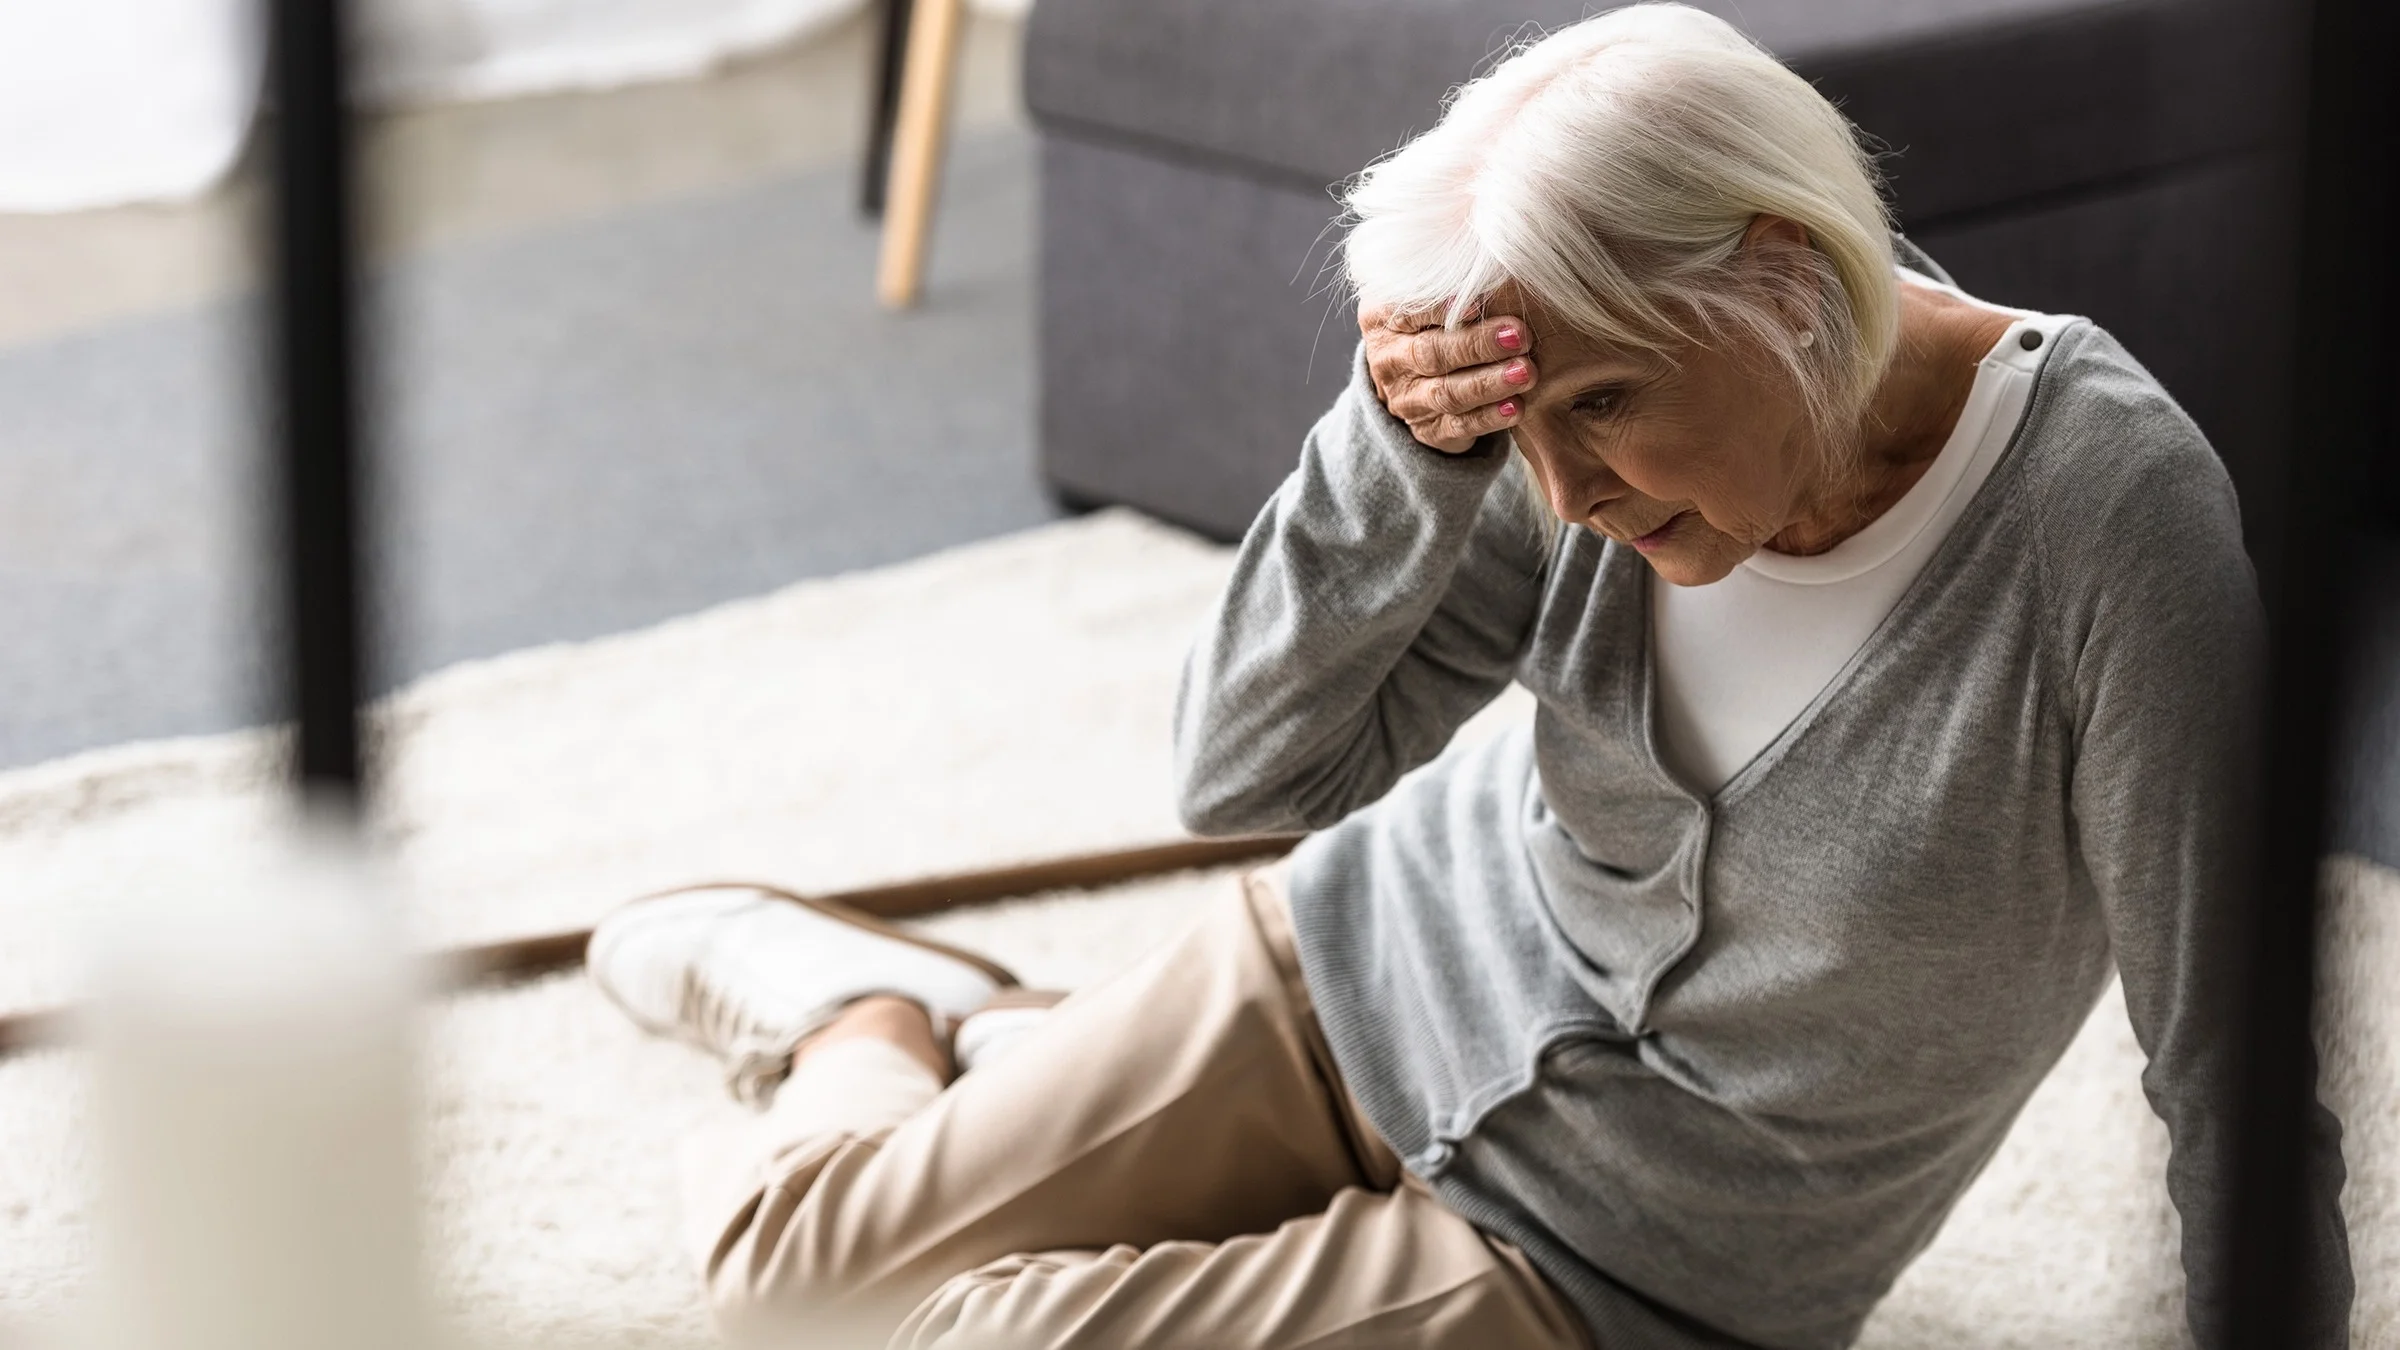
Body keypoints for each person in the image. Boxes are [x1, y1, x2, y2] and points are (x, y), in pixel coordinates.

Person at [587, 5, 2354, 1346]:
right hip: (1358, 965)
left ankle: (1001, 1046)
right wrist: (1405, 447)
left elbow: (2230, 1057)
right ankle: (877, 1019)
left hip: (1606, 1260)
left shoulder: (2110, 528)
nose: (1572, 495)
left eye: (1601, 408)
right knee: (776, 1283)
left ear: (1791, 288)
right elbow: (1246, 780)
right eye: (1528, 422)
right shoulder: (1564, 440)